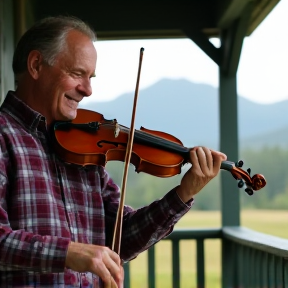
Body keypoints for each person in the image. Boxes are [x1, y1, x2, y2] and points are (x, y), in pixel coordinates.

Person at [0, 15, 227, 288]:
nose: (88, 89)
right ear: (36, 65)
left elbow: (123, 237)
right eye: (76, 74)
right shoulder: (4, 136)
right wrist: (70, 252)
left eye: (90, 77)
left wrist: (184, 193)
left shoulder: (81, 146)